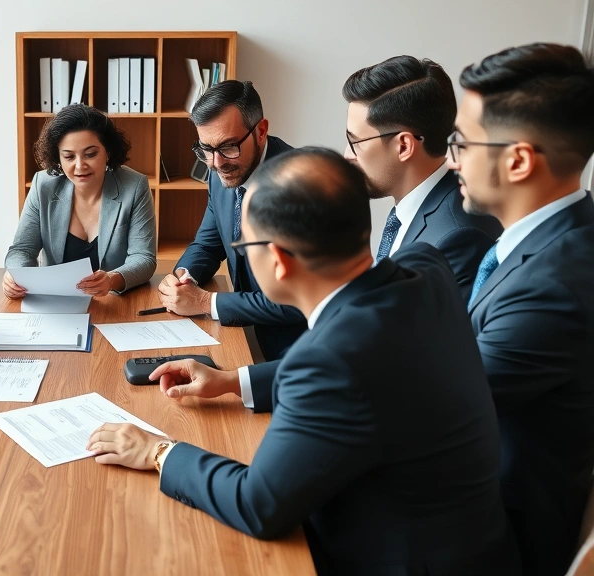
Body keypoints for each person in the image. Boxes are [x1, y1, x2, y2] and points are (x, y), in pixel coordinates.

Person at [90, 147, 519, 574]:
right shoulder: (422, 267)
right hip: (473, 541)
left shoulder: (328, 362)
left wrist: (157, 451)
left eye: (244, 243)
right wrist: (233, 380)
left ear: (276, 260)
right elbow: (366, 372)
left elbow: (259, 505)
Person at [448, 43, 594, 576]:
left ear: (517, 159)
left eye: (461, 142)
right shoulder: (547, 243)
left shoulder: (556, 284)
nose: (451, 158)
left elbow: (435, 399)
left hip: (498, 539)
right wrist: (245, 381)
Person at [158, 80, 305, 362]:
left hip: (299, 353)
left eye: (228, 147)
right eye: (206, 148)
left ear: (261, 131)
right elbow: (207, 244)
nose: (215, 162)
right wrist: (183, 278)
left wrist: (204, 302)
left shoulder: (302, 189)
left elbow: (295, 300)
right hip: (249, 335)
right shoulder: (219, 171)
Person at [342, 55, 502, 302]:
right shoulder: (415, 204)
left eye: (355, 143)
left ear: (404, 146)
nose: (346, 155)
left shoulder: (457, 237)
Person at [3, 104, 155, 298]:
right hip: (57, 300)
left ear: (107, 152)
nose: (79, 166)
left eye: (90, 154)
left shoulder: (133, 186)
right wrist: (18, 275)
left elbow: (144, 258)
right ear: (58, 157)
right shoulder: (43, 185)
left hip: (114, 302)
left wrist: (112, 279)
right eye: (68, 156)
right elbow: (22, 250)